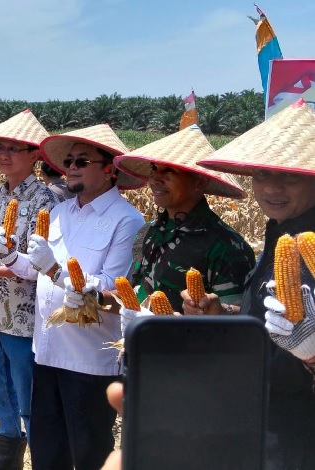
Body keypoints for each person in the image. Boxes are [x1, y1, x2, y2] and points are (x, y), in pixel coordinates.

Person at [4, 124, 145, 469]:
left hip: (89, 361)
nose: (72, 167)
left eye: (83, 160)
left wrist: (53, 270)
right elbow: (40, 270)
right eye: (69, 160)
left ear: (110, 169)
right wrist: (10, 257)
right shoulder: (59, 213)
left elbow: (113, 289)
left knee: (88, 451)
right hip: (47, 351)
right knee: (47, 449)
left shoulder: (128, 220)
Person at [194, 99, 315, 468]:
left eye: (288, 175)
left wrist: (311, 354)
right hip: (262, 414)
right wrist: (227, 313)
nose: (271, 188)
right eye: (261, 174)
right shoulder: (278, 230)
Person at [0, 109, 60, 469]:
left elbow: (38, 265)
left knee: (28, 396)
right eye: (0, 147)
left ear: (35, 155)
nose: (4, 154)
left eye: (14, 148)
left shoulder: (47, 202)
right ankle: (7, 454)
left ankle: (40, 460)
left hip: (23, 317)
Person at [111, 125, 255, 314]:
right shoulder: (148, 231)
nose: (155, 179)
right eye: (154, 169)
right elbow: (138, 294)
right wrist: (94, 298)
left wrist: (216, 310)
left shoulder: (226, 246)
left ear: (200, 181)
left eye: (169, 171)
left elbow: (243, 315)